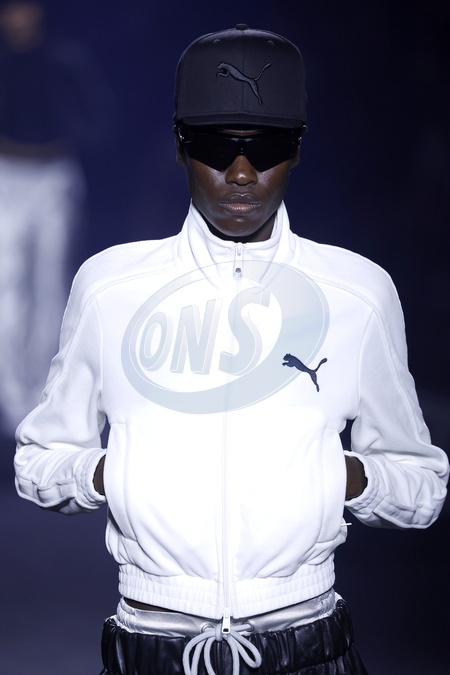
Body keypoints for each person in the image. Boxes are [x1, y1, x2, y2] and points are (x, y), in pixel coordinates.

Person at [14, 24, 448, 675]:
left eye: (266, 146)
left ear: (297, 148)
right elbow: (38, 461)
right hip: (151, 645)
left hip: (310, 645)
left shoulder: (357, 292)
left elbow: (422, 486)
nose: (242, 173)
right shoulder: (110, 287)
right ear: (180, 145)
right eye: (217, 146)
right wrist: (119, 473)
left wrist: (334, 476)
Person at [0, 0, 115, 435]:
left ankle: (43, 401)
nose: (18, 18)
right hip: (7, 176)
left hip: (53, 176)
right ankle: (12, 408)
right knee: (6, 292)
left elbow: (102, 121)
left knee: (51, 288)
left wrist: (66, 125)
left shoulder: (66, 59)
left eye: (25, 8)